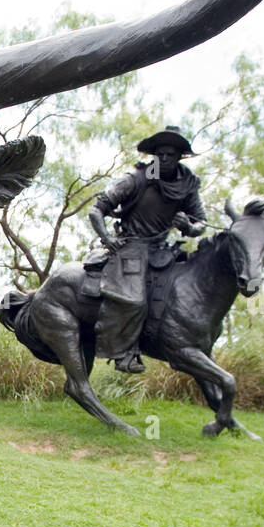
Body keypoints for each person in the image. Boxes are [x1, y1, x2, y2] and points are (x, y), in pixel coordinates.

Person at [88, 125, 208, 373]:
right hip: (131, 246)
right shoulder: (136, 179)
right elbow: (96, 210)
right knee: (135, 300)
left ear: (179, 157)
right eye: (160, 154)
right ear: (154, 154)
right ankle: (124, 352)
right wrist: (107, 238)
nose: (164, 158)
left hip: (164, 251)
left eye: (170, 154)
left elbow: (201, 223)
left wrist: (189, 226)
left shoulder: (187, 185)